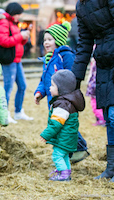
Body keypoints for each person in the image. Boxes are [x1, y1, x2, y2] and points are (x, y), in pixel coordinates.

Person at [34, 21, 90, 164]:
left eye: (49, 40)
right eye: (44, 40)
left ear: (58, 40)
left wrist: (67, 95)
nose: (46, 43)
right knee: (60, 125)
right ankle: (69, 151)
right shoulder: (48, 59)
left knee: (66, 125)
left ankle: (80, 148)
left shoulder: (65, 55)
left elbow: (70, 77)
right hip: (53, 99)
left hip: (65, 100)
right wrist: (40, 92)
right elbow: (44, 79)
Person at [72, 0, 114, 181]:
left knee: (113, 115)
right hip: (104, 64)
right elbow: (84, 43)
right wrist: (75, 80)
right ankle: (111, 168)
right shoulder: (81, 7)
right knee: (108, 117)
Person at [0, 2, 33, 123]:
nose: (19, 16)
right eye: (18, 14)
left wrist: (24, 37)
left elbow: (16, 42)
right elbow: (4, 41)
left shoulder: (13, 23)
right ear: (13, 12)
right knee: (8, 88)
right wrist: (20, 36)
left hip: (17, 60)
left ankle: (18, 112)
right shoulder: (4, 23)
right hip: (9, 60)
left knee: (22, 86)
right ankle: (4, 113)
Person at [40, 70, 85, 181]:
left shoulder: (62, 105)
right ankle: (66, 173)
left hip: (64, 138)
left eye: (53, 86)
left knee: (57, 155)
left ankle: (63, 175)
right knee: (64, 155)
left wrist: (45, 135)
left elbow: (56, 124)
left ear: (62, 88)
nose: (50, 88)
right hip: (67, 137)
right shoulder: (66, 102)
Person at [86, 57, 105, 126]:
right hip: (95, 85)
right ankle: (100, 119)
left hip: (95, 86)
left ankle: (101, 119)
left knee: (95, 104)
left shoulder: (97, 63)